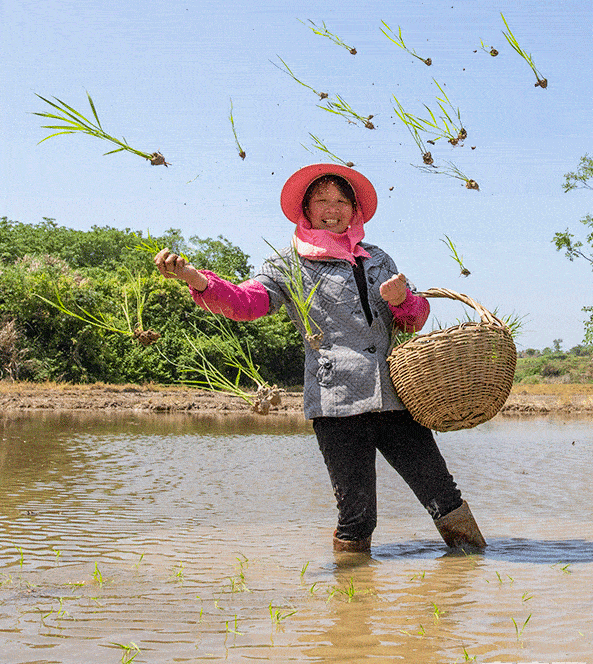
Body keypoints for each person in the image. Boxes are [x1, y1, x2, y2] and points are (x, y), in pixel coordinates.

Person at [154, 163, 485, 553]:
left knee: (442, 493)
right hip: (336, 402)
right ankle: (351, 602)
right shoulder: (288, 264)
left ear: (355, 210)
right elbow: (247, 303)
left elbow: (413, 320)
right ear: (306, 210)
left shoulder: (377, 259)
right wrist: (198, 280)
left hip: (395, 395)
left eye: (342, 201)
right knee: (358, 516)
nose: (333, 208)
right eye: (322, 200)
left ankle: (473, 561)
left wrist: (403, 301)